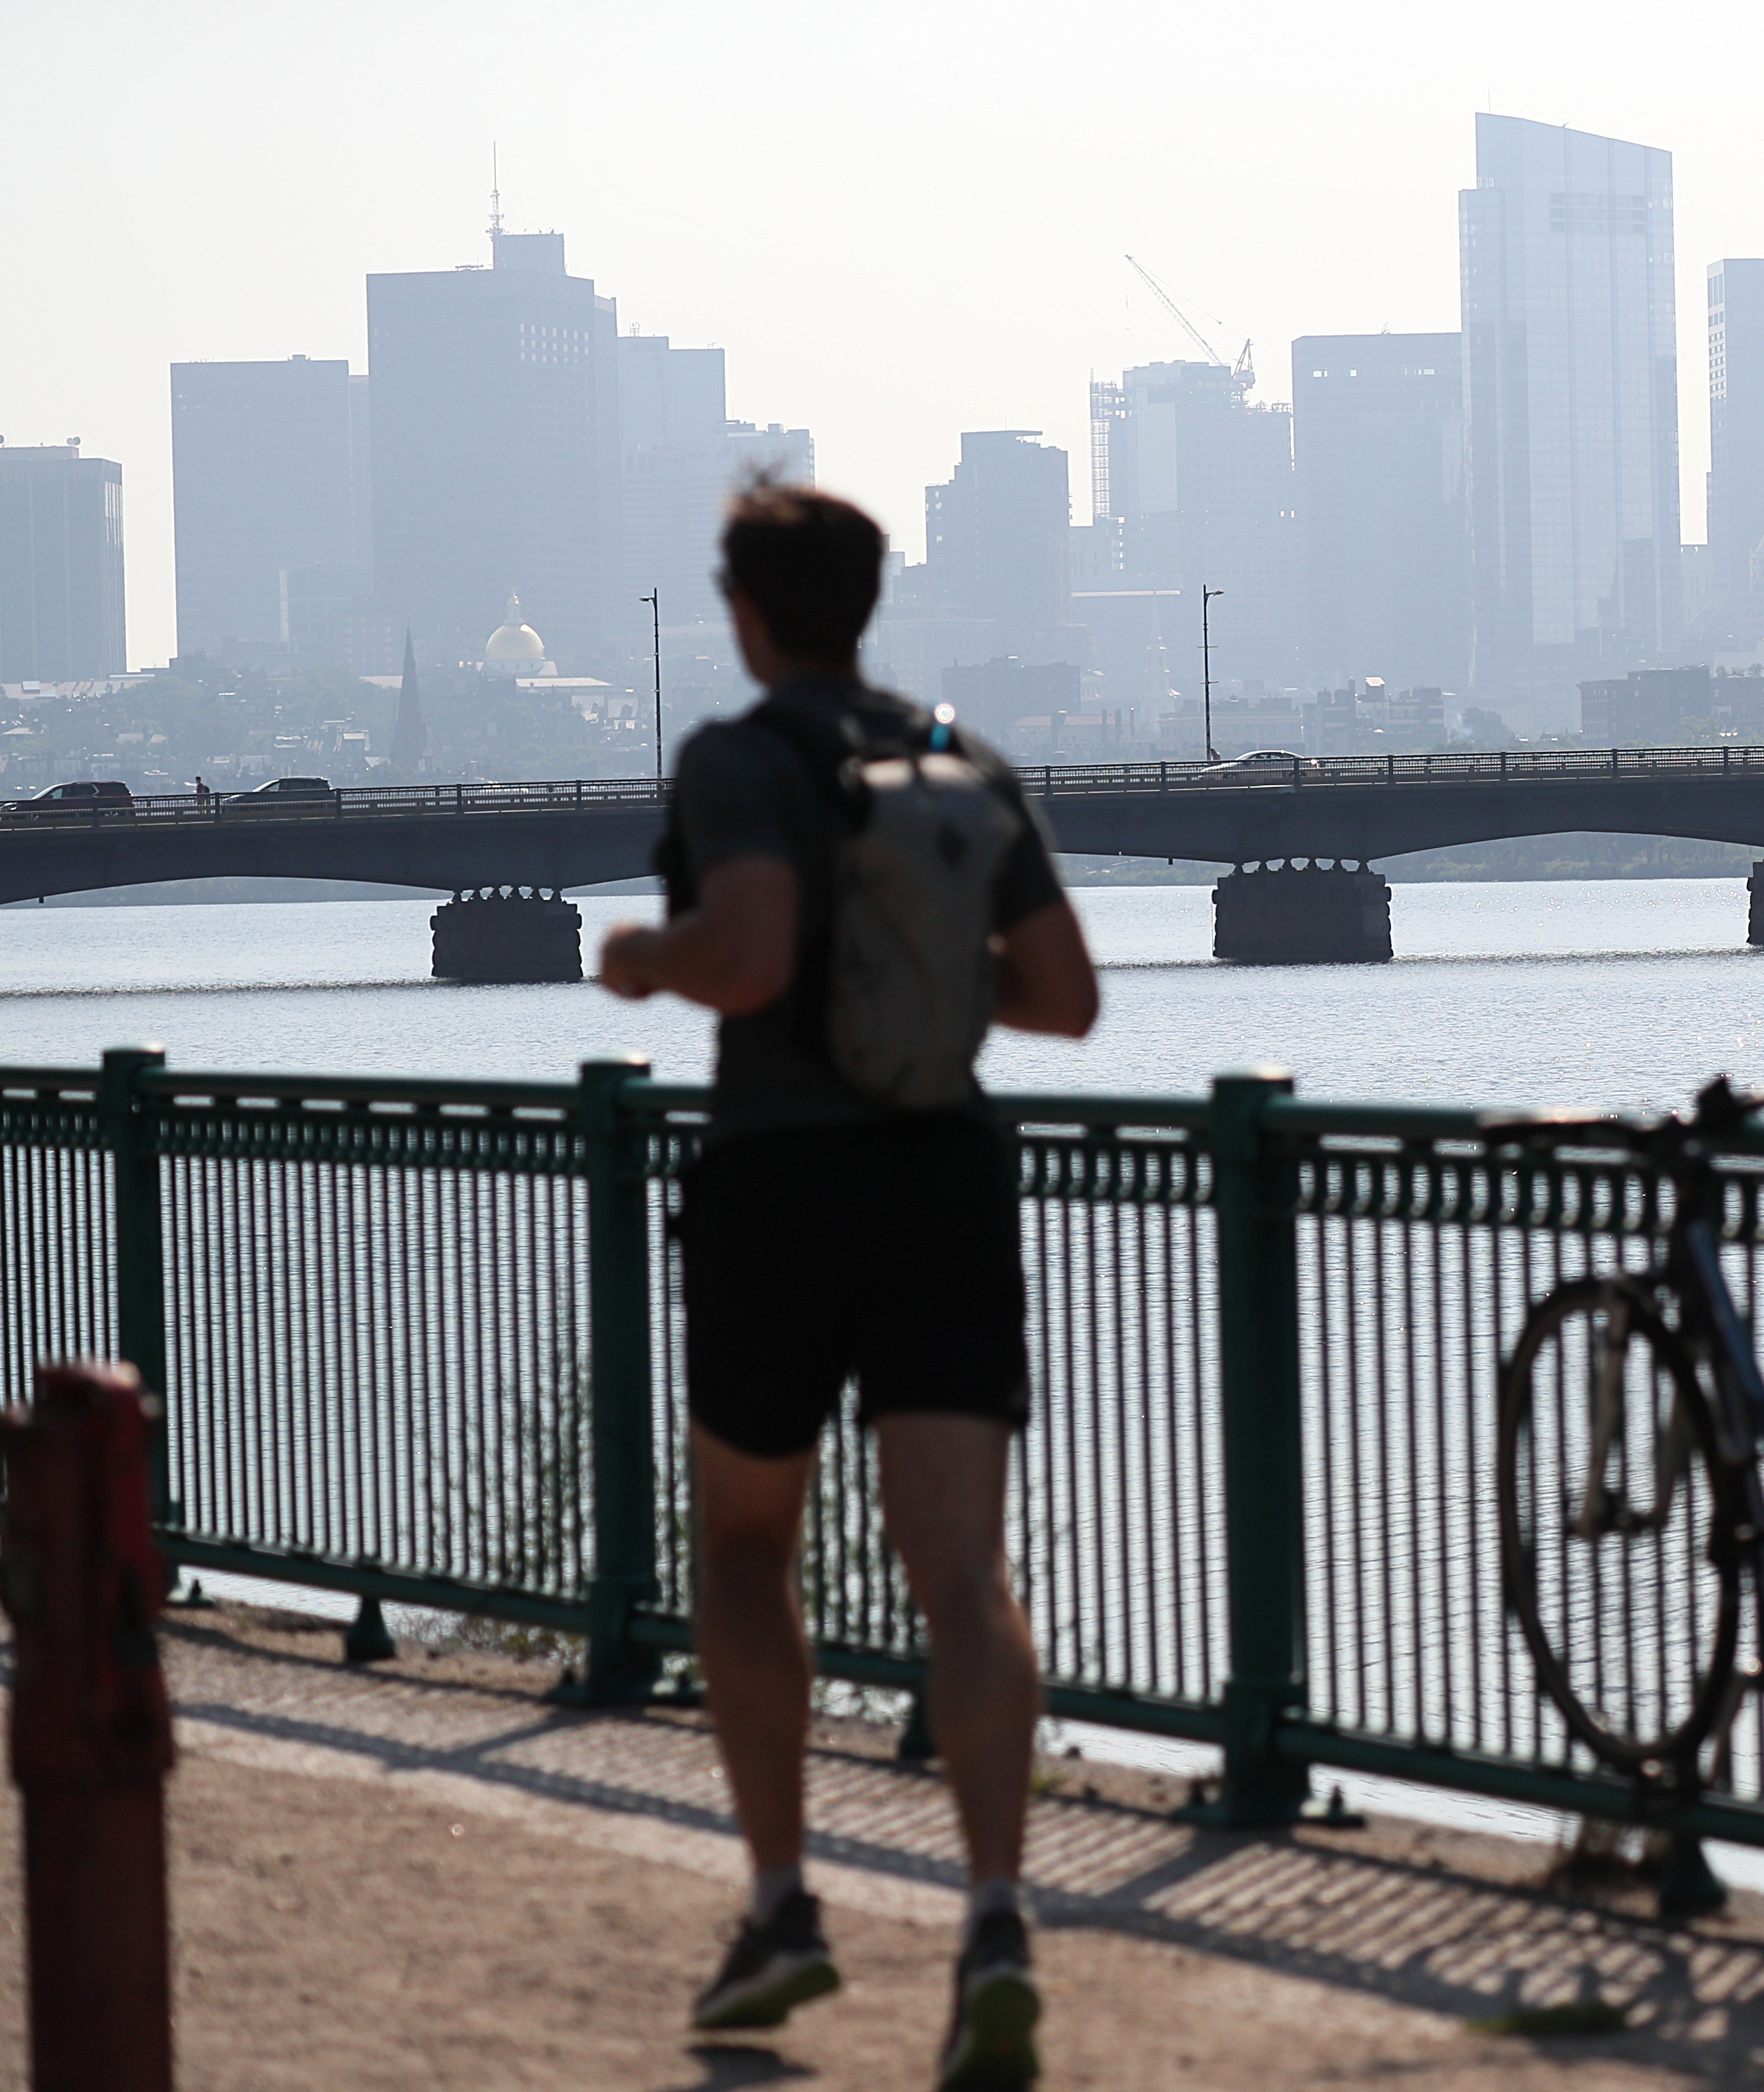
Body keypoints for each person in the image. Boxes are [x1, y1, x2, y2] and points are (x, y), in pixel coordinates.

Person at [599, 482, 1098, 2089]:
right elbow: (1068, 998)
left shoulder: (737, 761)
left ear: (745, 611)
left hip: (782, 1186)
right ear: (868, 604)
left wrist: (641, 959)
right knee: (960, 1564)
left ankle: (783, 1908)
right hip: (947, 1178)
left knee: (749, 1545)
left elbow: (741, 957)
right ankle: (1001, 1921)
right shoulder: (964, 764)